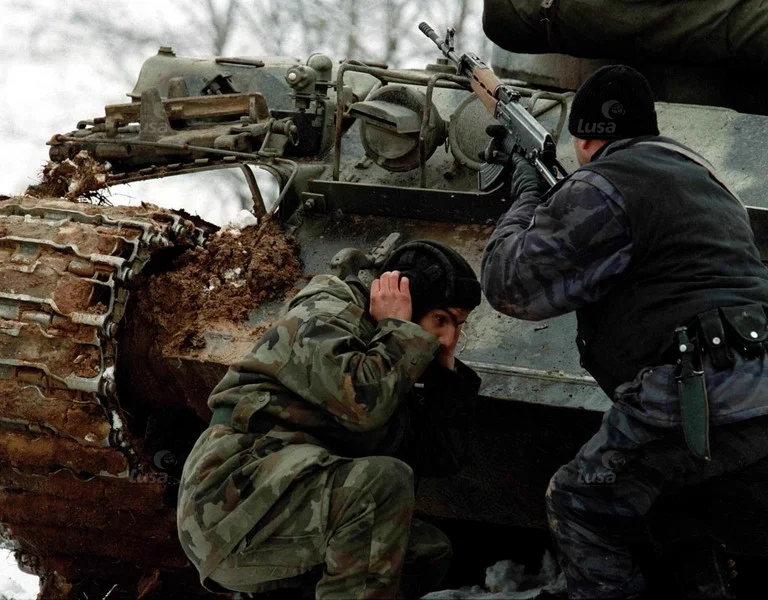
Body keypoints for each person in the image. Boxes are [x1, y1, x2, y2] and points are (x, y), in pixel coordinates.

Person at [481, 64, 768, 599]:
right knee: (670, 501)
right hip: (752, 386)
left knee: (579, 502)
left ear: (587, 139)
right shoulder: (702, 174)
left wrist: (525, 193)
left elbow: (508, 285)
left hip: (702, 387)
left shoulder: (605, 184)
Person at [177, 239, 482, 599]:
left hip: (276, 507)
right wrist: (401, 332)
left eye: (458, 325)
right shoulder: (323, 315)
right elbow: (363, 406)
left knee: (423, 553)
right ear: (405, 300)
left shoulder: (392, 355)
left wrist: (444, 374)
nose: (447, 338)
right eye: (441, 320)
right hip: (229, 506)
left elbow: (437, 456)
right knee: (381, 485)